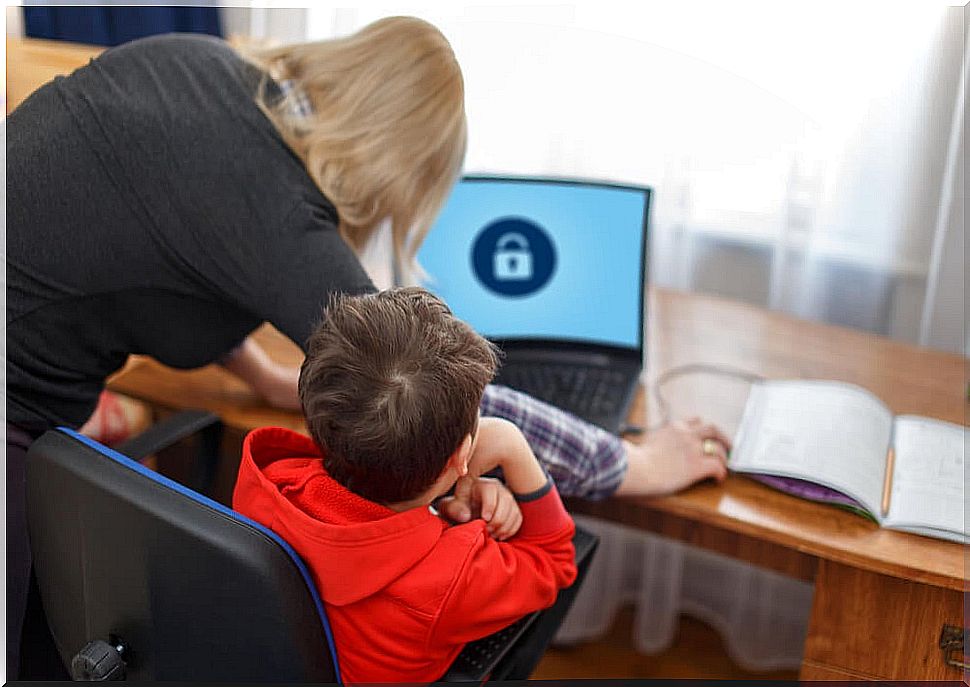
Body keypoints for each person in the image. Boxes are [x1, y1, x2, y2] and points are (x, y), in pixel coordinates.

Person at [6, 16, 729, 678]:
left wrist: (260, 372)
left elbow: (173, 254)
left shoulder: (200, 65)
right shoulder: (283, 220)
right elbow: (459, 396)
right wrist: (637, 462)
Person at [233, 287, 578, 683]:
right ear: (461, 456)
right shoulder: (453, 579)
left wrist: (443, 514)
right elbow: (555, 560)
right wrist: (513, 447)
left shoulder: (269, 481)